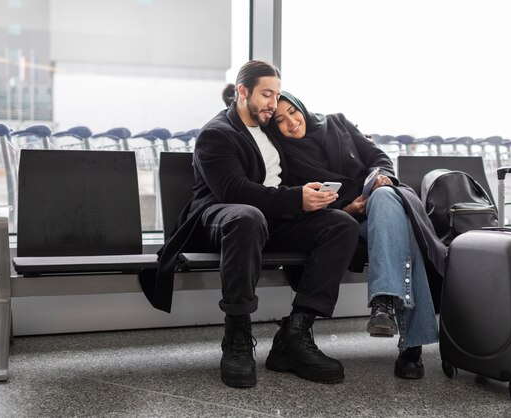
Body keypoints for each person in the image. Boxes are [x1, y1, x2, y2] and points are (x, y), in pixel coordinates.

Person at [139, 61, 360, 388]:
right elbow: (232, 190)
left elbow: (306, 141)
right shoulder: (217, 134)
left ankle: (295, 335)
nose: (274, 104)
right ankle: (238, 334)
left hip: (269, 221)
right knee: (247, 215)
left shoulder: (268, 129)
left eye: (277, 95)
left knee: (341, 225)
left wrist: (349, 146)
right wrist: (295, 199)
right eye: (266, 95)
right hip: (218, 218)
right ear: (243, 92)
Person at [268, 91, 447, 379]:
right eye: (280, 120)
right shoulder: (283, 155)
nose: (291, 122)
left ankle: (383, 303)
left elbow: (377, 156)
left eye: (292, 112)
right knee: (406, 235)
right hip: (345, 220)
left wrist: (380, 177)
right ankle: (409, 343)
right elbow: (301, 206)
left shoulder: (337, 123)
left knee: (387, 197)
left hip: (376, 198)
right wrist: (345, 208)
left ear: (301, 106)